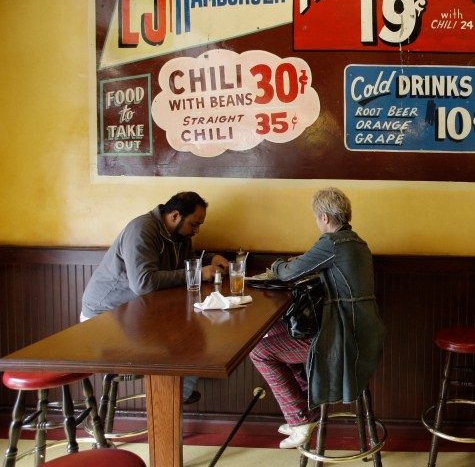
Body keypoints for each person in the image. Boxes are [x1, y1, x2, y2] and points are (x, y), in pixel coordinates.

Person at [249, 187, 385, 449]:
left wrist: (277, 265)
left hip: (343, 338)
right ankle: (301, 409)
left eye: (316, 217)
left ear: (324, 218)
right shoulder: (356, 242)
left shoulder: (331, 243)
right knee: (277, 335)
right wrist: (304, 262)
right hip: (363, 332)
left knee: (261, 350)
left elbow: (288, 274)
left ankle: (300, 418)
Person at [81, 191, 229, 404]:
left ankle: (176, 397)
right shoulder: (142, 229)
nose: (197, 231)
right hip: (106, 320)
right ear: (175, 216)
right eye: (194, 224)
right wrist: (198, 273)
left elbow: (187, 263)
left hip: (137, 314)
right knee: (183, 341)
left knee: (196, 333)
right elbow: (144, 284)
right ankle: (171, 402)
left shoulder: (180, 235)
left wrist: (209, 258)